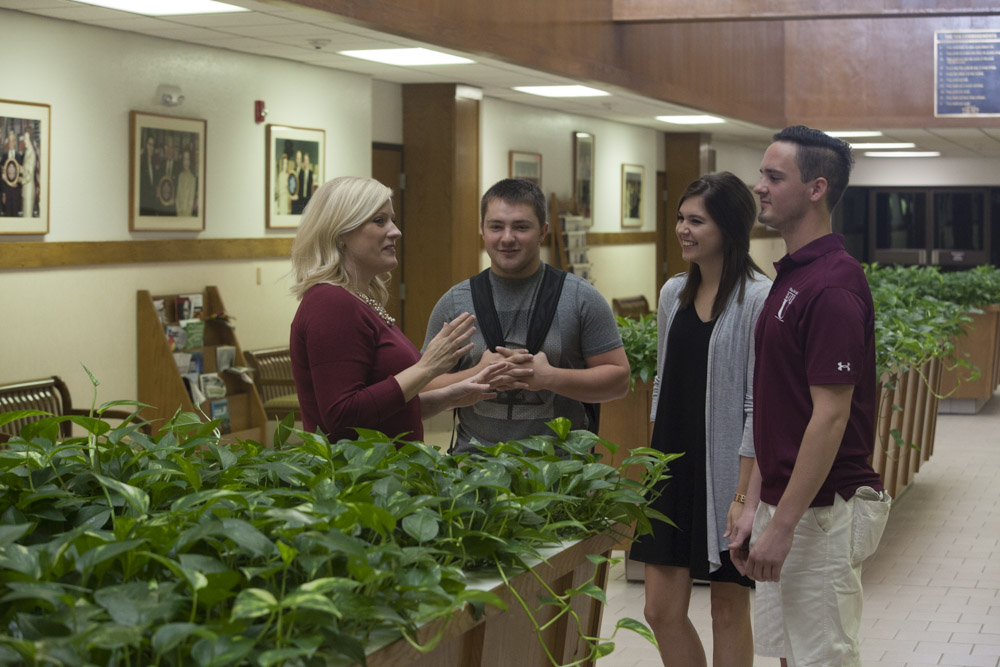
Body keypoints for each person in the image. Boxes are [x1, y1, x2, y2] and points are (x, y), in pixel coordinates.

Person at [728, 126, 891, 666]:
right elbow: (777, 407)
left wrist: (784, 525)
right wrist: (754, 504)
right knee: (789, 656)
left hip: (823, 510)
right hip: (787, 501)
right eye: (762, 175)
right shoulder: (793, 276)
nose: (760, 187)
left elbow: (830, 417)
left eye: (775, 177)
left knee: (822, 659)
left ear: (816, 188)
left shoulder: (833, 285)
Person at [628, 172, 770, 667]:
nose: (683, 230)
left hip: (729, 473)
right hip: (672, 469)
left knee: (728, 608)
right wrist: (653, 466)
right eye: (680, 219)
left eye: (697, 221)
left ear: (728, 227)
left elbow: (757, 406)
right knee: (659, 609)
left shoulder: (758, 298)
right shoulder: (673, 293)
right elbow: (663, 383)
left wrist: (742, 497)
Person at [289, 176, 507, 442]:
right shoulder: (331, 303)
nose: (396, 231)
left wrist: (446, 398)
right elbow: (343, 417)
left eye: (392, 220)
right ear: (341, 233)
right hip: (361, 468)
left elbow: (382, 413)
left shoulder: (357, 299)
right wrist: (427, 368)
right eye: (379, 221)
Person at [422, 178, 630, 453]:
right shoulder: (455, 303)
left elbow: (619, 381)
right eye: (496, 226)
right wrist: (477, 375)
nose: (507, 238)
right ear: (482, 230)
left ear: (543, 231)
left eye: (521, 227)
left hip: (562, 470)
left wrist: (549, 377)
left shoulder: (581, 298)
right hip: (474, 468)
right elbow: (423, 388)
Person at [1, 130, 23, 217]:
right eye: (9, 141)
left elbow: (21, 176)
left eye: (12, 140)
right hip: (7, 191)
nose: (11, 143)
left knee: (15, 216)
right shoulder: (4, 157)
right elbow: (2, 177)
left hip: (16, 192)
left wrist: (19, 192)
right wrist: (3, 193)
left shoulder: (19, 157)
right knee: (8, 215)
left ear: (15, 142)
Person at [139, 133, 159, 216]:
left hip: (152, 207)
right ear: (146, 145)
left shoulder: (154, 164)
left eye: (153, 145)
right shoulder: (141, 163)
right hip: (143, 207)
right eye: (149, 144)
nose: (151, 148)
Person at [20, 128, 36, 218]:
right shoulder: (27, 151)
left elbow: (29, 175)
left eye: (26, 138)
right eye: (24, 138)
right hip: (25, 190)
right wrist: (18, 168)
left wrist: (20, 180)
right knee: (25, 216)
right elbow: (25, 170)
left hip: (29, 191)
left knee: (27, 217)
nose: (24, 140)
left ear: (31, 139)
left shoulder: (32, 154)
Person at [175, 150, 196, 217]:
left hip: (187, 215)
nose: (186, 162)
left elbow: (191, 202)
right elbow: (177, 197)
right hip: (179, 214)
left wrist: (185, 216)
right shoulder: (180, 176)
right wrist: (178, 212)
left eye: (188, 159)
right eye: (184, 159)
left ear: (190, 161)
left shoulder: (192, 179)